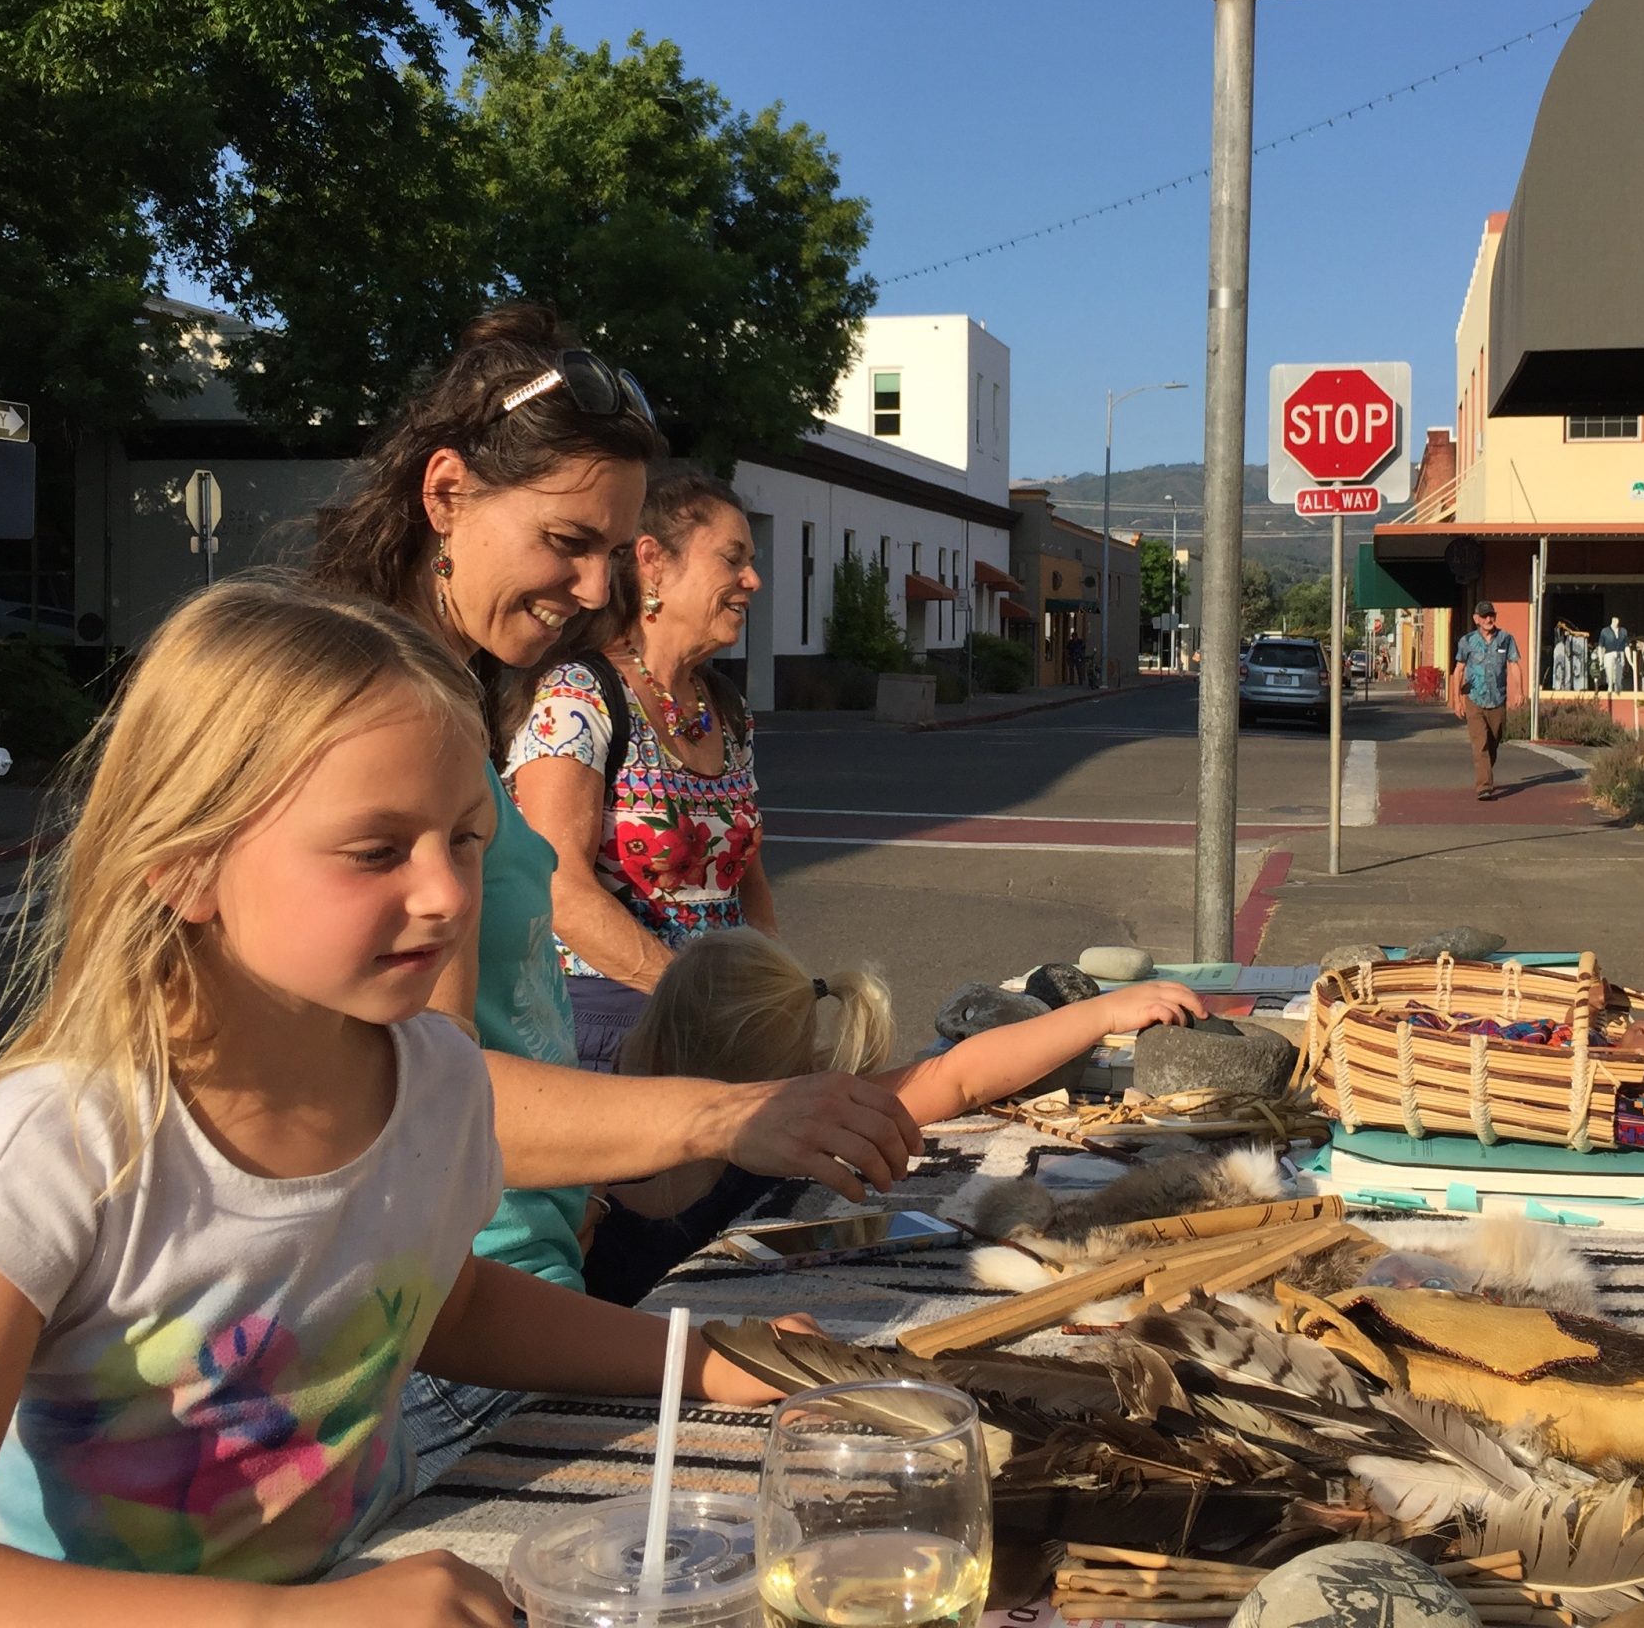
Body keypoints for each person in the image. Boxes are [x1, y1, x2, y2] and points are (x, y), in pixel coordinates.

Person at [0, 581, 795, 1628]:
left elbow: (446, 1306)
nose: (448, 894)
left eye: (466, 838)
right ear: (186, 863)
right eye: (376, 850)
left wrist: (699, 1360)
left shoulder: (437, 1083)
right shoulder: (56, 1151)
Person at [301, 304, 920, 1477]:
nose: (594, 588)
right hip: (384, 1365)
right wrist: (721, 1109)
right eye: (565, 541)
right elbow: (422, 1100)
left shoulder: (458, 699)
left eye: (615, 551)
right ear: (446, 494)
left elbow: (450, 1106)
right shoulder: (374, 713)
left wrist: (694, 1343)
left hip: (478, 1299)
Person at [587, 928, 1210, 1297]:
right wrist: (1100, 1013)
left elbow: (959, 1074)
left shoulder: (589, 1155)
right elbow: (958, 1076)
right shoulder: (809, 1125)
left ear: (651, 1040)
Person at [507, 469, 771, 1076]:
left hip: (718, 1021)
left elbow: (749, 879)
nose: (752, 580)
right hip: (610, 1025)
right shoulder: (579, 695)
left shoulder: (723, 705)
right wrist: (689, 995)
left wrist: (773, 990)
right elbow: (559, 888)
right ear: (652, 562)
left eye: (751, 563)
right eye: (732, 558)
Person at [1448, 600, 1523, 802]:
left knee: (1494, 741)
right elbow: (1459, 670)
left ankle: (1486, 770)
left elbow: (1514, 665)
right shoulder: (1467, 641)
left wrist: (1519, 691)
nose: (1489, 619)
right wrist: (1457, 700)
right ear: (1476, 619)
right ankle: (1484, 787)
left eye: (1491, 615)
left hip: (1497, 698)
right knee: (1479, 744)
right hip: (1474, 698)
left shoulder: (1506, 639)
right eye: (1484, 616)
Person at [1595, 615, 1633, 694]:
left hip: (1620, 653)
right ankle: (1610, 688)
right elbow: (1600, 646)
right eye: (1614, 620)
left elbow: (1626, 646)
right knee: (1609, 673)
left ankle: (1617, 689)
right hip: (1609, 654)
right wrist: (1601, 659)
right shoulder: (1605, 631)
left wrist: (1630, 661)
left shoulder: (1623, 631)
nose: (1616, 622)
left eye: (1617, 620)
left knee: (1618, 676)